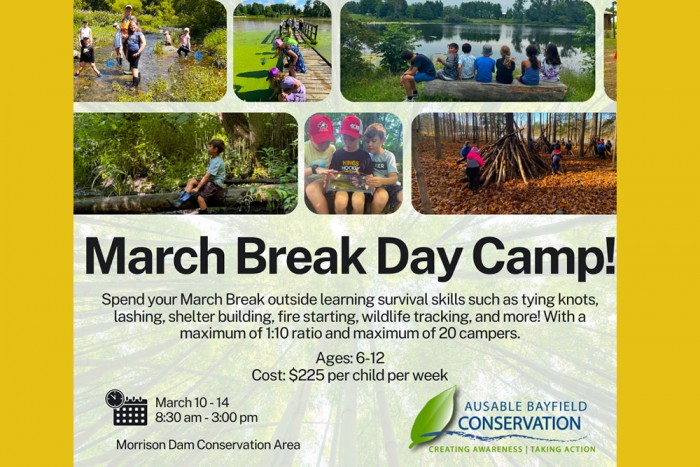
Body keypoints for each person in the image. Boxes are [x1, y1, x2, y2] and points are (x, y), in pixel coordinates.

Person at [328, 116, 373, 214]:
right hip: (342, 185)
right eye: (344, 138)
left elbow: (369, 175)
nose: (348, 142)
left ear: (359, 137)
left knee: (358, 202)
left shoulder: (365, 156)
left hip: (359, 187)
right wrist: (332, 176)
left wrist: (368, 180)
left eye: (352, 139)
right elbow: (332, 172)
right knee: (340, 202)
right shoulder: (337, 154)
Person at [171, 139, 227, 214]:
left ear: (215, 149)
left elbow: (206, 177)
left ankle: (204, 212)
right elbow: (208, 174)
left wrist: (197, 188)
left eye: (210, 146)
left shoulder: (217, 161)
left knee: (199, 197)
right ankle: (182, 200)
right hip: (210, 180)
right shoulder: (214, 159)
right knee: (192, 181)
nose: (208, 148)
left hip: (214, 183)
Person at [364, 123, 403, 214]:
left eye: (373, 141)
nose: (370, 144)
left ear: (382, 140)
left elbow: (394, 178)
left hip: (391, 184)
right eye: (367, 141)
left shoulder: (388, 156)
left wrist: (382, 181)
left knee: (403, 197)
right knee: (381, 197)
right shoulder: (366, 157)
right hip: (377, 187)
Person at [305, 114, 336, 214]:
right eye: (320, 142)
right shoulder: (304, 149)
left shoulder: (332, 149)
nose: (325, 146)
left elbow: (333, 169)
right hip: (308, 179)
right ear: (310, 136)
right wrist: (315, 169)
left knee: (311, 190)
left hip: (323, 181)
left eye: (327, 141)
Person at [125, 21, 146, 87]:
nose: (132, 27)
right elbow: (128, 45)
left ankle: (135, 85)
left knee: (134, 68)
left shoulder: (139, 34)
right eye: (131, 26)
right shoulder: (130, 34)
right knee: (132, 68)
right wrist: (127, 54)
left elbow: (144, 43)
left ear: (137, 26)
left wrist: (138, 52)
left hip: (136, 52)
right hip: (130, 52)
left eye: (134, 25)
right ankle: (138, 77)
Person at [120, 4, 137, 70]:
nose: (128, 11)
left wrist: (127, 36)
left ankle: (132, 70)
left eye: (129, 10)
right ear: (125, 10)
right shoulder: (123, 19)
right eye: (127, 9)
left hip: (130, 39)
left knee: (131, 55)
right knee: (126, 55)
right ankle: (131, 69)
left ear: (131, 11)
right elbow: (122, 29)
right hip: (124, 39)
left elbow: (133, 29)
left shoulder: (133, 18)